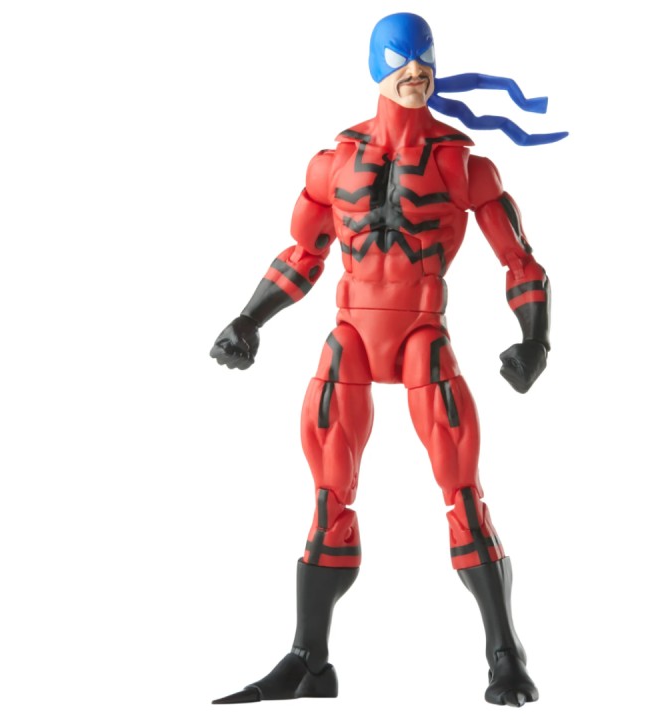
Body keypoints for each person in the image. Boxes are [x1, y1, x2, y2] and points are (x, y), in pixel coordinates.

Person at [210, 12, 564, 707]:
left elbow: (520, 261)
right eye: (401, 59)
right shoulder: (332, 163)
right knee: (328, 496)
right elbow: (304, 254)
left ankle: (505, 654)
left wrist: (535, 339)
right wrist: (248, 319)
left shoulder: (463, 165)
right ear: (377, 66)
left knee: (461, 492)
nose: (416, 72)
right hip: (350, 332)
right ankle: (309, 661)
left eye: (425, 59)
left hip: (421, 336)